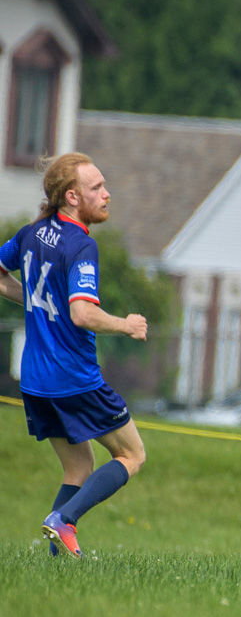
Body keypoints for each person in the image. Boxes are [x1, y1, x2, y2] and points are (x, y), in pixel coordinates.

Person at [0, 153, 149, 557]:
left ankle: (54, 557)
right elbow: (82, 313)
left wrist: (32, 301)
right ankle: (64, 520)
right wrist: (126, 324)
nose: (107, 195)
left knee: (78, 469)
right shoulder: (81, 245)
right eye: (96, 188)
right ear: (71, 197)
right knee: (132, 454)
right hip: (73, 379)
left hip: (33, 379)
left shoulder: (31, 233)